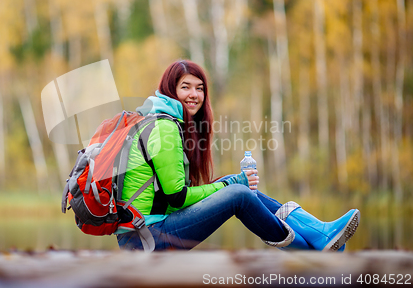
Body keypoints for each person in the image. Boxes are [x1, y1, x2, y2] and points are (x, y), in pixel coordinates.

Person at [116, 60, 360, 251]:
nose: (194, 95)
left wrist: (229, 182)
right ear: (170, 90)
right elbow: (178, 197)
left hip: (146, 233)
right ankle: (308, 249)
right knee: (238, 193)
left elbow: (170, 198)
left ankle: (318, 233)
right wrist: (228, 184)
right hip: (145, 239)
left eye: (199, 88)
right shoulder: (164, 127)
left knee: (236, 185)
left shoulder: (162, 122)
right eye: (185, 87)